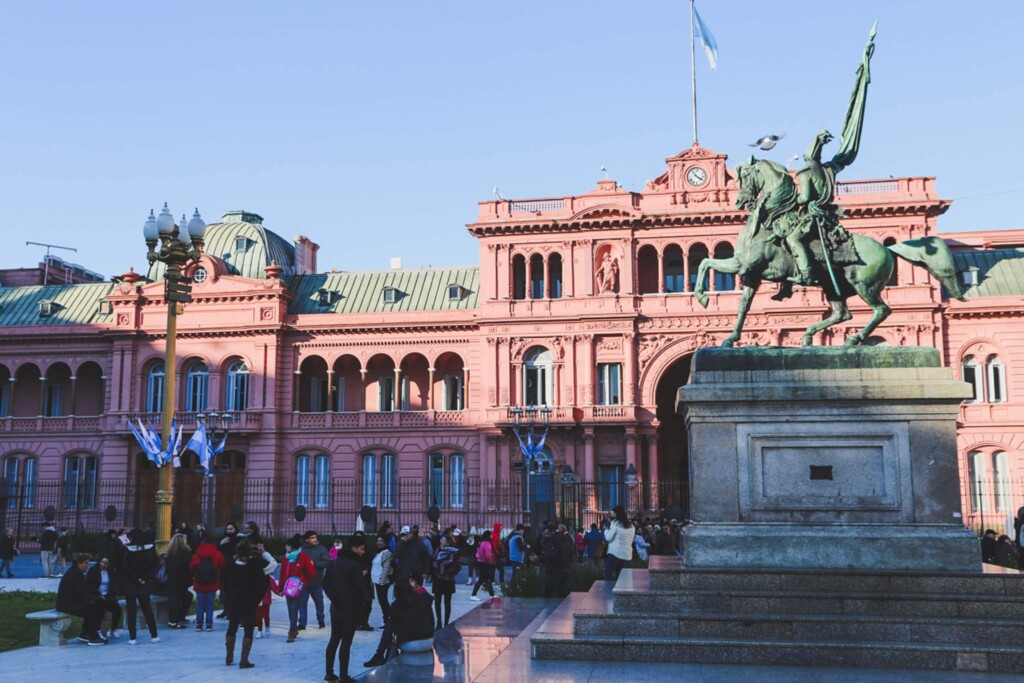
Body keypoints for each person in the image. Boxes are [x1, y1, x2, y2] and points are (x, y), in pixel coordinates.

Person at [223, 539, 278, 669]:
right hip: (249, 600)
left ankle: (229, 656)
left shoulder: (231, 564)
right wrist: (263, 552)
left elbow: (224, 581)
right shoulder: (255, 564)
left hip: (233, 600)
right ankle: (244, 659)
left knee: (232, 626)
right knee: (248, 628)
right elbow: (273, 564)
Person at [323, 534, 371, 683]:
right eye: (361, 549)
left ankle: (329, 673)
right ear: (354, 548)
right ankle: (344, 676)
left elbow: (325, 584)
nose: (363, 552)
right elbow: (358, 590)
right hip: (350, 609)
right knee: (346, 643)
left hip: (336, 607)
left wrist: (335, 599)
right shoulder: (355, 566)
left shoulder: (334, 562)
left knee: (334, 639)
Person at [363, 575, 435, 668]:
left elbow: (392, 629)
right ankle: (381, 655)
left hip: (410, 644)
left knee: (390, 625)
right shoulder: (425, 599)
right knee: (393, 626)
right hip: (428, 641)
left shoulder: (397, 605)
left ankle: (380, 654)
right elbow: (431, 620)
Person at [118, 528, 161, 645]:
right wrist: (145, 578)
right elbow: (155, 566)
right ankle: (154, 635)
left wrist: (136, 578)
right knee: (147, 609)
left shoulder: (128, 550)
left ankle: (132, 638)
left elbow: (126, 567)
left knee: (131, 611)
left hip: (131, 584)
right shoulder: (151, 550)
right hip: (145, 584)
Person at [57, 553, 106, 645]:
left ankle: (85, 633)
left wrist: (97, 596)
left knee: (94, 605)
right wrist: (97, 598)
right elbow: (84, 593)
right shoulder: (75, 574)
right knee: (93, 608)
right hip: (66, 604)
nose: (87, 566)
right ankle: (93, 636)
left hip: (71, 602)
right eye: (86, 563)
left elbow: (85, 589)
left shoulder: (76, 572)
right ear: (79, 564)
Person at [276, 534, 315, 642]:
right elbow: (282, 573)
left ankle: (292, 631)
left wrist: (303, 582)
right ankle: (293, 628)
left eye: (287, 545)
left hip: (299, 588)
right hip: (288, 588)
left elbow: (311, 572)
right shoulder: (286, 558)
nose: (285, 547)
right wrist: (280, 588)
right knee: (291, 610)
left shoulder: (303, 557)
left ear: (292, 546)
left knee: (294, 608)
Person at [190, 534, 226, 632]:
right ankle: (209, 625)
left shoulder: (197, 554)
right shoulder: (217, 553)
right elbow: (222, 564)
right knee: (210, 604)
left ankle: (199, 624)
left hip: (199, 583)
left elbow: (192, 566)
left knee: (200, 604)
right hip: (212, 583)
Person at [85, 555, 122, 640]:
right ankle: (97, 631)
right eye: (102, 562)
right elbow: (89, 586)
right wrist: (98, 595)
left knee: (117, 609)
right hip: (96, 595)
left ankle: (114, 629)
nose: (103, 564)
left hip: (108, 595)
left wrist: (110, 594)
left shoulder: (111, 572)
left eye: (105, 563)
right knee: (99, 608)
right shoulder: (93, 571)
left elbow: (114, 585)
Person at [300, 530, 331, 630]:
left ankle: (321, 621)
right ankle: (302, 623)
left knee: (319, 603)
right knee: (302, 604)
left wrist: (315, 563)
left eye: (315, 537)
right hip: (304, 582)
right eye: (312, 538)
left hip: (317, 582)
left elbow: (327, 562)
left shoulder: (321, 549)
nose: (315, 539)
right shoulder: (301, 549)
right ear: (306, 539)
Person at [535, 524, 576, 598]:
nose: (545, 536)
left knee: (547, 592)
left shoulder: (555, 541)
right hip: (565, 567)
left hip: (556, 569)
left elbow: (552, 554)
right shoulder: (565, 538)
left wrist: (538, 558)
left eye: (546, 534)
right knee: (561, 592)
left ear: (551, 532)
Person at [431, 534, 461, 629]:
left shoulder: (454, 552)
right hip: (437, 578)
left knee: (447, 602)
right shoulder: (437, 550)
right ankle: (439, 622)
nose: (441, 542)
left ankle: (446, 623)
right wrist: (436, 570)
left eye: (443, 540)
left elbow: (456, 565)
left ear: (448, 542)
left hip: (448, 579)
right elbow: (433, 561)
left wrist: (448, 572)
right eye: (441, 540)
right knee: (437, 602)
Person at [165, 533, 193, 628]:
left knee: (178, 598)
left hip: (172, 580)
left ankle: (176, 619)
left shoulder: (170, 553)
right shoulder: (185, 553)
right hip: (181, 580)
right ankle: (174, 620)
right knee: (179, 599)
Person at [603, 505, 636, 582]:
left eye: (614, 513)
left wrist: (606, 530)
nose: (613, 515)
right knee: (623, 579)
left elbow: (608, 538)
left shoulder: (615, 523)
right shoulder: (632, 526)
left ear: (617, 514)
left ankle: (608, 593)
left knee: (608, 577)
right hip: (626, 555)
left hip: (614, 554)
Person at [217, 521, 240, 618]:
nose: (229, 531)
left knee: (232, 590)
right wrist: (221, 543)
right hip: (224, 569)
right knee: (224, 590)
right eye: (228, 529)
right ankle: (225, 609)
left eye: (231, 529)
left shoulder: (238, 539)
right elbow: (217, 552)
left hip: (235, 569)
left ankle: (232, 611)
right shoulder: (223, 540)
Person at [370, 535, 394, 626]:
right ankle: (387, 620)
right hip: (377, 581)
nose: (379, 543)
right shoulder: (378, 553)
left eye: (381, 541)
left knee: (384, 602)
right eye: (378, 541)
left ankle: (388, 621)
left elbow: (386, 568)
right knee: (382, 602)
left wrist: (382, 582)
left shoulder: (386, 553)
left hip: (382, 582)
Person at [470, 529, 496, 601]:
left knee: (487, 579)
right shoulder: (487, 544)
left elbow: (479, 553)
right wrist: (490, 562)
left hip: (481, 562)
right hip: (485, 563)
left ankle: (492, 594)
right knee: (482, 579)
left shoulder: (481, 543)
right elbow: (488, 555)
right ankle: (473, 594)